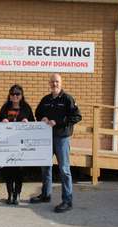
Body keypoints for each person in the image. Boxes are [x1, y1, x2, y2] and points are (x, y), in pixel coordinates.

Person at [30, 73, 82, 213]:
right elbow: (38, 113)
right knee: (45, 167)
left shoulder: (67, 99)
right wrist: (43, 118)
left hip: (61, 138)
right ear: (49, 83)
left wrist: (58, 122)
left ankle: (67, 201)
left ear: (61, 83)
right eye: (52, 82)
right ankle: (46, 195)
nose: (54, 84)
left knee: (64, 169)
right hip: (47, 138)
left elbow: (77, 116)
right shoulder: (46, 99)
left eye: (57, 82)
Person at [0, 84, 34, 205]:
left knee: (19, 171)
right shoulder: (5, 107)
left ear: (21, 95)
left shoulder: (26, 107)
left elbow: (33, 123)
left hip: (21, 145)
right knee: (8, 170)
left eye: (17, 94)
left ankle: (17, 194)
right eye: (12, 94)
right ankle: (9, 194)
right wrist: (2, 121)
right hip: (7, 144)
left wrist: (27, 122)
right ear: (9, 95)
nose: (15, 96)